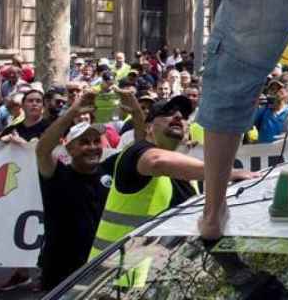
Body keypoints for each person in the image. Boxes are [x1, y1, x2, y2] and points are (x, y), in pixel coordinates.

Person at [90, 95, 255, 257]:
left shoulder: (185, 173)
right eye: (167, 112)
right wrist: (228, 173)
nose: (177, 116)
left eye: (183, 116)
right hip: (107, 276)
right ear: (148, 126)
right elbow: (157, 161)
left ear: (187, 130)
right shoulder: (135, 153)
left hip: (149, 276)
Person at [33, 89, 120, 292]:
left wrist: (135, 110)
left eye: (96, 141)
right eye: (84, 142)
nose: (92, 147)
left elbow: (140, 148)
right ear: (69, 148)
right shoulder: (56, 174)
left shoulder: (109, 169)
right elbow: (42, 149)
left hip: (102, 264)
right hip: (61, 269)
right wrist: (73, 111)